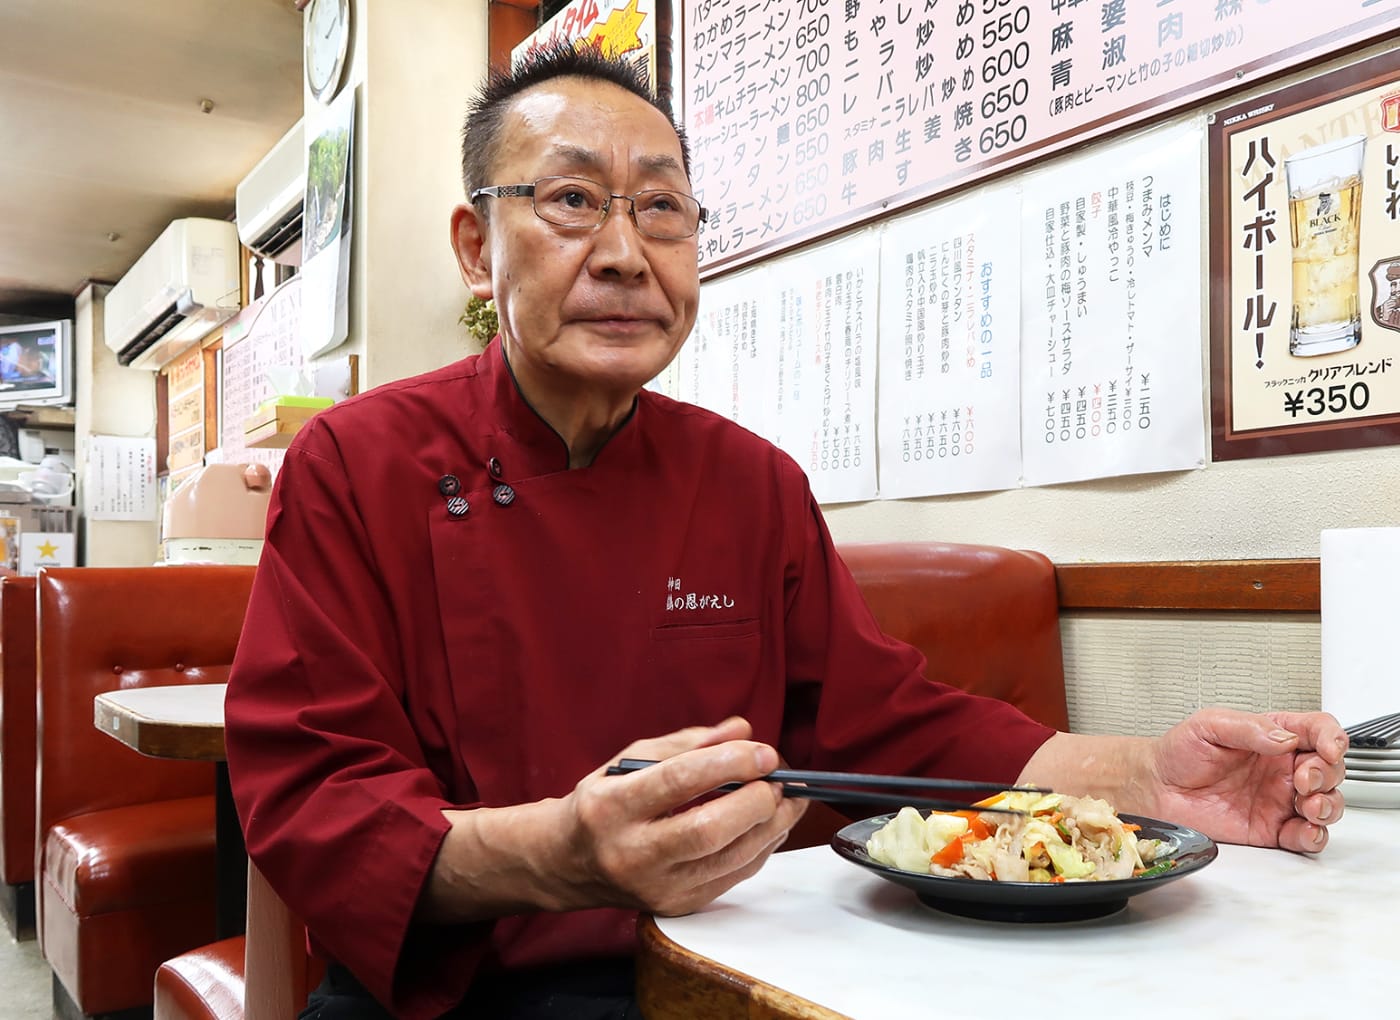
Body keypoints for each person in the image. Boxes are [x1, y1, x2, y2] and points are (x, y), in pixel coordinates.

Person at [224, 46, 1346, 1020]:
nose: (624, 252)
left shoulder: (750, 481)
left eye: (660, 208)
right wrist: (563, 854)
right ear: (476, 249)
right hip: (453, 994)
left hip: (720, 976)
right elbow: (315, 800)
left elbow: (892, 728)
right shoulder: (355, 464)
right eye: (571, 201)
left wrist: (1152, 777)